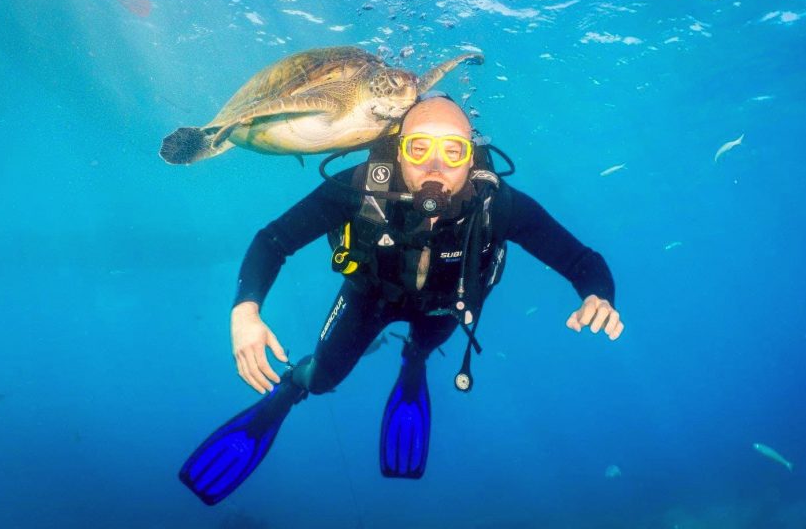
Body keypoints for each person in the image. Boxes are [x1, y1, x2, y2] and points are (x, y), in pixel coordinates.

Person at [178, 93, 624, 505]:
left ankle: (414, 361)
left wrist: (598, 296)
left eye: (453, 151)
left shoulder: (497, 205)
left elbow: (581, 260)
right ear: (398, 150)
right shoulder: (359, 188)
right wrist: (245, 311)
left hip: (445, 307)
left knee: (424, 346)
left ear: (471, 159)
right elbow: (272, 240)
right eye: (418, 149)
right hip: (368, 297)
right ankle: (295, 386)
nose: (435, 166)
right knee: (323, 378)